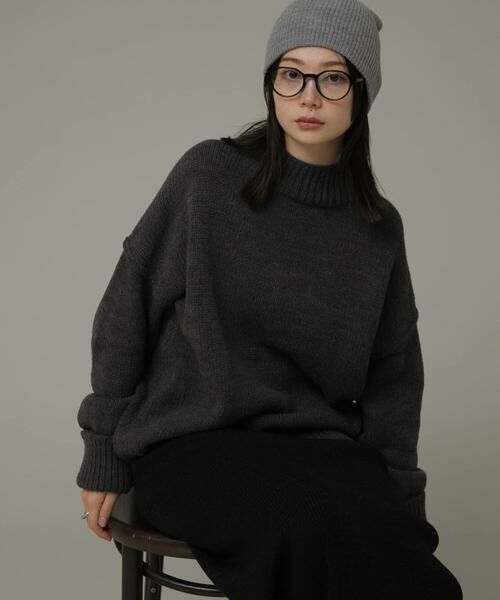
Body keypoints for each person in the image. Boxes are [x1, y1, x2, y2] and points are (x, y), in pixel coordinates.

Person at [76, 0, 463, 597]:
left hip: (318, 452)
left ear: (362, 92)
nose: (309, 96)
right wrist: (102, 447)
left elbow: (394, 378)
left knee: (414, 575)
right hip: (188, 443)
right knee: (305, 524)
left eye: (333, 78)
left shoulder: (378, 228)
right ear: (271, 85)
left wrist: (402, 506)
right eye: (291, 74)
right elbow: (127, 307)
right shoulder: (209, 177)